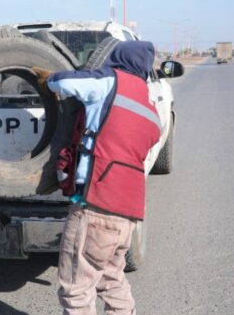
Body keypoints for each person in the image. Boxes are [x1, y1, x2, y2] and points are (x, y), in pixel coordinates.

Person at [33, 40, 161, 315]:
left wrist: (49, 78)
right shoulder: (150, 107)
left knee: (76, 288)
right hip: (127, 215)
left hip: (95, 207)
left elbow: (65, 83)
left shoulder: (108, 81)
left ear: (118, 59)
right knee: (111, 279)